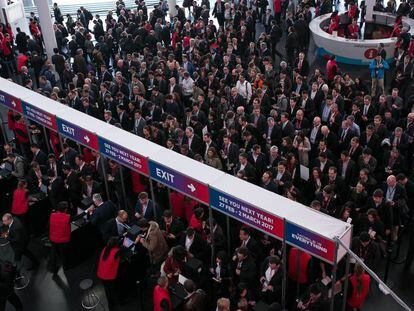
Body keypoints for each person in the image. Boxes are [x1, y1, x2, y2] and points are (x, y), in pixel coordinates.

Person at [97, 237, 121, 308]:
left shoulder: (105, 249)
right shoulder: (116, 252)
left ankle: (110, 304)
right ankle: (117, 302)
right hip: (109, 276)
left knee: (107, 290)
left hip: (101, 274)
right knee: (113, 289)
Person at [49, 201, 71, 275]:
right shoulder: (67, 217)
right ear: (65, 209)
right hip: (62, 241)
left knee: (53, 253)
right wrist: (86, 211)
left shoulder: (52, 215)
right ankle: (66, 268)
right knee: (63, 255)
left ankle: (53, 268)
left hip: (53, 239)